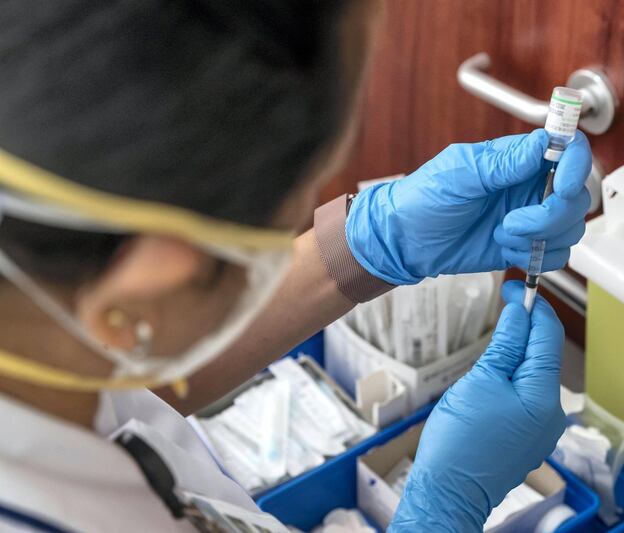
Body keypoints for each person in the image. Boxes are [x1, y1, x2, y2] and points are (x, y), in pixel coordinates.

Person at [0, 1, 592, 532]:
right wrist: (442, 510)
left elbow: (123, 385)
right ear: (149, 283)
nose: (298, 229)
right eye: (288, 216)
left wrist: (365, 245)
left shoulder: (39, 328)